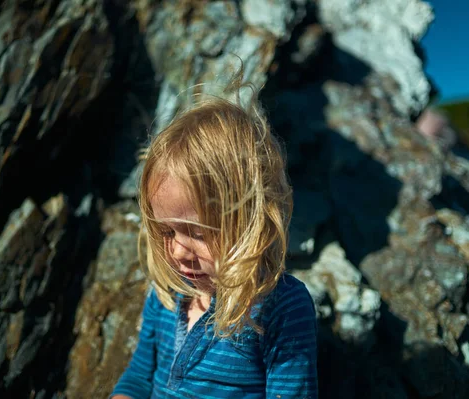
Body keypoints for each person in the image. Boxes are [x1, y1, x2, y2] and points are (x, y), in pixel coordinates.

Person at [110, 86, 318, 398]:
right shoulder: (166, 295)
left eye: (199, 233)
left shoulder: (280, 306)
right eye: (167, 232)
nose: (180, 251)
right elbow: (139, 377)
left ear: (251, 221)